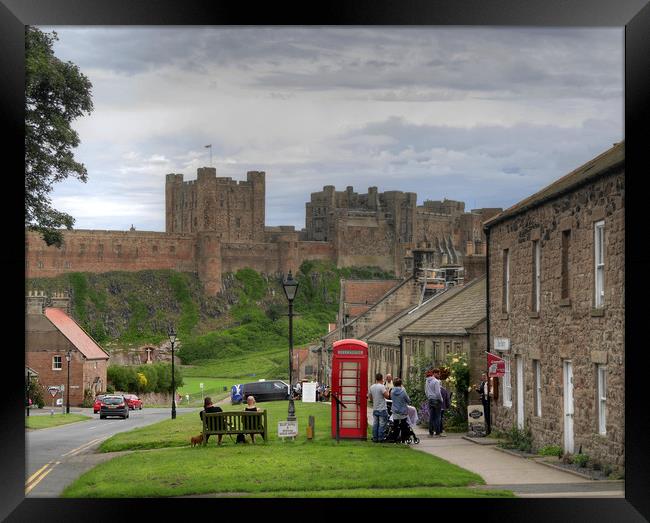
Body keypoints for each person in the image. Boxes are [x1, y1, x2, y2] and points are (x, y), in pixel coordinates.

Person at [367, 372, 390, 442]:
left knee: (375, 424)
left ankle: (375, 438)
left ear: (376, 379)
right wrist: (387, 391)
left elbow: (370, 398)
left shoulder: (372, 387)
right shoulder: (382, 386)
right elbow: (387, 396)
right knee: (382, 424)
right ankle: (380, 438)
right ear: (382, 378)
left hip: (375, 408)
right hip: (382, 408)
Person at [388, 377, 411, 443]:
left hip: (395, 411)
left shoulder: (392, 391)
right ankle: (403, 440)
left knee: (395, 426)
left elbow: (392, 399)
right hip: (403, 411)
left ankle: (395, 440)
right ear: (401, 384)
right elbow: (408, 400)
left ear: (394, 384)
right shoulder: (403, 391)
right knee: (403, 426)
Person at [425, 368, 443, 437]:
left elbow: (426, 391)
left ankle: (431, 433)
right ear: (435, 374)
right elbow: (438, 393)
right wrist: (441, 399)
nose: (439, 375)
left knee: (431, 417)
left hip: (430, 399)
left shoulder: (427, 381)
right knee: (438, 417)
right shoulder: (436, 381)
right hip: (436, 400)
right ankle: (437, 433)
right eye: (438, 374)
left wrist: (429, 397)